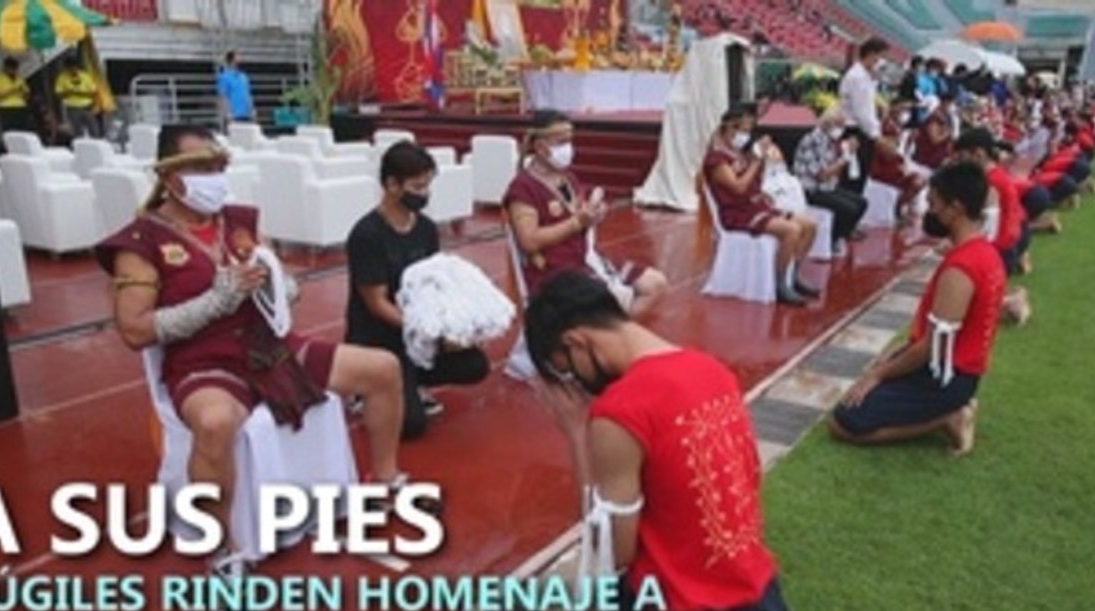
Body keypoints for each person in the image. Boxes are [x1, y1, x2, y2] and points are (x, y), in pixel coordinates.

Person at [95, 125, 420, 581]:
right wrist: (216, 301)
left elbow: (287, 287)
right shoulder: (141, 242)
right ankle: (224, 548)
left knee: (382, 369)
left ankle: (384, 482)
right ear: (170, 178)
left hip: (269, 345)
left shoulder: (240, 221)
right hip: (203, 361)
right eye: (202, 169)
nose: (215, 178)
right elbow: (134, 330)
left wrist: (275, 283)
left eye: (219, 168)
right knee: (214, 423)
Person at [505, 271, 789, 611]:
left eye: (564, 370)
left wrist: (577, 434)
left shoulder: (620, 409)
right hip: (752, 598)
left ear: (576, 342)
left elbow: (611, 553)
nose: (574, 384)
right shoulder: (708, 368)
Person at [830, 162, 1005, 455]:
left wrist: (881, 374)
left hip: (946, 378)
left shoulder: (962, 267)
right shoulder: (984, 252)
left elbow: (932, 347)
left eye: (934, 204)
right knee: (869, 382)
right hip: (953, 370)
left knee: (844, 422)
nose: (929, 211)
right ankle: (943, 410)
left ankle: (947, 417)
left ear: (956, 208)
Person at [345, 141, 490, 439]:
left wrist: (451, 325)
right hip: (379, 337)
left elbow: (433, 282)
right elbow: (376, 304)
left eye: (427, 186)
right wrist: (424, 330)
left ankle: (412, 380)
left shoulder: (425, 228)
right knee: (412, 427)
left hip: (415, 334)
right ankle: (368, 385)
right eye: (417, 186)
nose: (424, 194)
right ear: (391, 185)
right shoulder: (367, 235)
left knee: (475, 364)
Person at [503, 109, 668, 315]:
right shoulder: (524, 187)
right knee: (612, 298)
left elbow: (579, 213)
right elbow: (529, 241)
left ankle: (613, 335)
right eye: (560, 142)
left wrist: (594, 213)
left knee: (656, 283)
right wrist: (576, 223)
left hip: (586, 258)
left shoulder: (567, 178)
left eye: (569, 141)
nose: (568, 148)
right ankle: (609, 337)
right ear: (539, 147)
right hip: (556, 272)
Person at [705, 103, 819, 305]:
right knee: (791, 230)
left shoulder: (739, 154)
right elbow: (738, 187)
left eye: (749, 131)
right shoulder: (717, 160)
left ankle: (794, 274)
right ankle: (780, 283)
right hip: (737, 213)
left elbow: (753, 181)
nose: (746, 136)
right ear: (729, 129)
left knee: (810, 226)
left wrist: (761, 164)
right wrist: (756, 162)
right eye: (742, 131)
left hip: (755, 206)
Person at [952, 129, 1033, 322]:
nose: (961, 162)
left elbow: (990, 223)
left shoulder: (991, 183)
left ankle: (1014, 302)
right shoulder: (997, 175)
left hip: (1001, 247)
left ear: (978, 153)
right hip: (1014, 238)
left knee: (974, 310)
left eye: (963, 156)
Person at [792, 105, 868, 255]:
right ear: (827, 123)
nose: (841, 129)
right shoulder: (812, 140)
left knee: (861, 203)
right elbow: (821, 175)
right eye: (838, 125)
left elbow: (837, 174)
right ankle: (834, 239)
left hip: (828, 186)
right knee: (849, 209)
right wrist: (844, 158)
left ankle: (840, 235)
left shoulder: (831, 142)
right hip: (811, 188)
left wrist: (847, 153)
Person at [838, 37, 895, 194]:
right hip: (856, 132)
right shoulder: (858, 78)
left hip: (862, 131)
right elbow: (862, 113)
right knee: (852, 178)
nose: (881, 62)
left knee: (859, 176)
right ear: (870, 54)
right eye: (880, 57)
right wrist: (877, 137)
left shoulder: (867, 77)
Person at [869, 97, 928, 224]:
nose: (904, 113)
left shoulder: (899, 127)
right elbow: (888, 151)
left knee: (919, 180)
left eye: (906, 110)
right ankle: (896, 210)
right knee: (913, 180)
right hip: (881, 168)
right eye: (902, 109)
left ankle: (900, 208)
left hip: (897, 163)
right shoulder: (884, 126)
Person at [54, 56, 100, 138]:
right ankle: (78, 146)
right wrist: (72, 93)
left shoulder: (85, 77)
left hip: (87, 107)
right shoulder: (62, 78)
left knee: (94, 130)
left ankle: (96, 144)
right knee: (76, 131)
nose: (72, 69)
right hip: (72, 108)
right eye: (69, 68)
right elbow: (59, 94)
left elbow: (93, 92)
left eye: (74, 67)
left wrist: (75, 93)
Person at [0, 57, 32, 133]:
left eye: (15, 69)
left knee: (23, 130)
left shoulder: (20, 78)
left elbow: (27, 95)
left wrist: (23, 92)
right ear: (6, 68)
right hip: (6, 107)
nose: (14, 71)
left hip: (20, 106)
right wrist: (12, 90)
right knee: (10, 131)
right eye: (12, 68)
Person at [217, 51, 254, 127]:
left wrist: (252, 110)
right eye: (237, 58)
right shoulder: (224, 77)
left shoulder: (243, 76)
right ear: (231, 61)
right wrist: (228, 113)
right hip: (233, 116)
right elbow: (223, 97)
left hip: (246, 114)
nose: (240, 60)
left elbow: (247, 94)